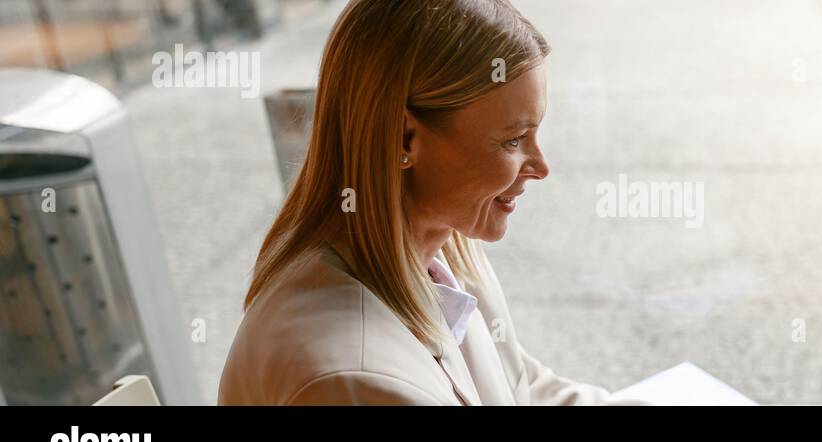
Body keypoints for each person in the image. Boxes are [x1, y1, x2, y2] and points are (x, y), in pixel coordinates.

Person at [219, 0, 640, 405]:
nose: (541, 166)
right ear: (404, 139)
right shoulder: (353, 381)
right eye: (513, 140)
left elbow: (520, 388)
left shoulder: (446, 248)